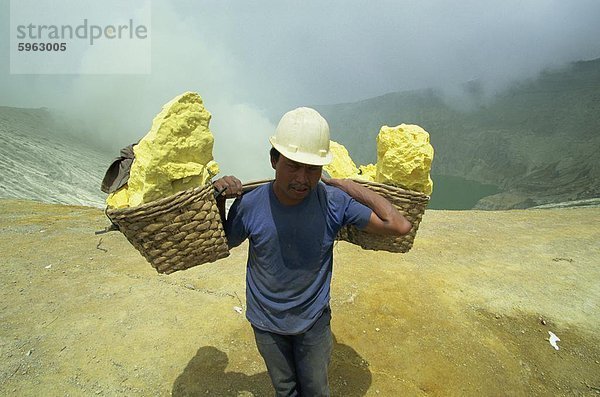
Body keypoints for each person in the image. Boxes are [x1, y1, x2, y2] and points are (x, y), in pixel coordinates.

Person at [213, 107, 411, 397]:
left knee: (316, 389)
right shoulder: (250, 204)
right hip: (266, 322)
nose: (303, 178)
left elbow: (398, 225)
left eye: (312, 168)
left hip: (313, 321)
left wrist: (350, 187)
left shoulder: (333, 202)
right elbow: (224, 242)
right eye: (293, 165)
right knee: (285, 389)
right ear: (273, 160)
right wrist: (218, 199)